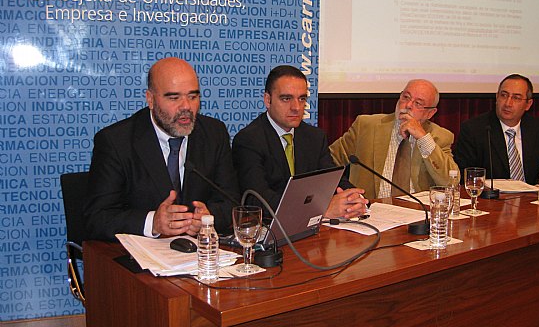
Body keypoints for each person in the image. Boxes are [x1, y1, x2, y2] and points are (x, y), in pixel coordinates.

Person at [84, 57, 239, 241]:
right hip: (142, 258)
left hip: (198, 255)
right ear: (150, 99)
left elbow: (230, 201)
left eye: (193, 96)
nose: (186, 107)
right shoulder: (116, 142)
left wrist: (208, 218)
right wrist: (153, 222)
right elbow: (97, 218)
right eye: (174, 97)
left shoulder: (214, 133)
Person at [232, 65, 368, 219]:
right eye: (286, 98)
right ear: (268, 100)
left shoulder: (314, 137)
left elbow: (332, 179)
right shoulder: (249, 140)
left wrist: (354, 199)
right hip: (272, 229)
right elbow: (258, 199)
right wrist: (321, 211)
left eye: (302, 99)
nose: (296, 107)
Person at [329, 79, 458, 199]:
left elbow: (450, 181)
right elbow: (328, 161)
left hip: (417, 214)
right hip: (372, 211)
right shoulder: (366, 126)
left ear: (430, 113)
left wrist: (422, 137)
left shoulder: (439, 136)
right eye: (406, 97)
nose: (408, 105)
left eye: (418, 103)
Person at [454, 73, 539, 185]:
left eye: (516, 98)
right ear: (496, 97)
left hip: (530, 198)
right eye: (504, 95)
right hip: (492, 199)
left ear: (528, 104)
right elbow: (466, 177)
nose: (508, 103)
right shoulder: (474, 129)